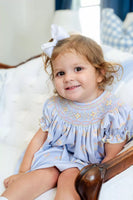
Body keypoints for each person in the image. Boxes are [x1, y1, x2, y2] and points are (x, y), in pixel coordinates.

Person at [1, 24, 133, 200]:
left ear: (99, 73)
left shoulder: (112, 109)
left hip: (85, 164)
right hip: (54, 156)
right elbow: (38, 138)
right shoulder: (55, 105)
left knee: (69, 177)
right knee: (43, 174)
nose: (68, 78)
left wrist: (97, 176)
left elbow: (112, 154)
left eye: (78, 69)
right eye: (60, 73)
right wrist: (23, 172)